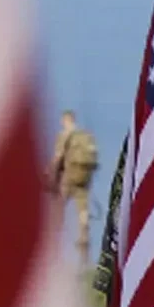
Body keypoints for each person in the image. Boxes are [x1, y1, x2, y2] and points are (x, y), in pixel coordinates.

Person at [50, 110, 99, 262]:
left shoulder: (64, 136)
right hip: (83, 177)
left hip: (69, 176)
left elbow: (58, 157)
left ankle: (56, 236)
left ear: (66, 120)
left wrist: (50, 172)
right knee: (82, 208)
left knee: (60, 205)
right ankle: (84, 237)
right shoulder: (84, 136)